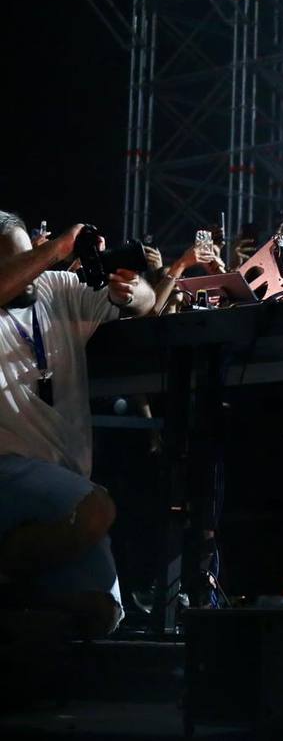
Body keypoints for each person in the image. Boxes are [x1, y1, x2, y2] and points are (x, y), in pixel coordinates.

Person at [0, 213, 153, 637]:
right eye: (16, 263)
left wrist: (128, 291)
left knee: (101, 613)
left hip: (55, 477)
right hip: (6, 467)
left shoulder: (55, 290)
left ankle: (17, 589)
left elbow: (145, 302)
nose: (30, 271)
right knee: (95, 508)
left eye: (28, 255)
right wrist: (54, 250)